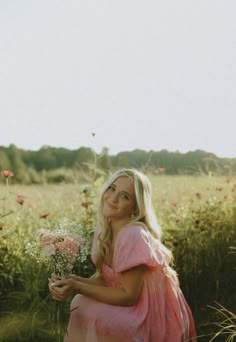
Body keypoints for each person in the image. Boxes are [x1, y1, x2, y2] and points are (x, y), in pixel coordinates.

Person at [49, 168, 197, 342]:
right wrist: (71, 280)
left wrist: (77, 286)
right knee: (80, 302)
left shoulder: (133, 234)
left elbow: (129, 296)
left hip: (148, 311)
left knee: (97, 314)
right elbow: (107, 280)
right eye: (112, 188)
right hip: (129, 299)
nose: (113, 198)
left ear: (136, 208)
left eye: (125, 196)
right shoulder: (105, 228)